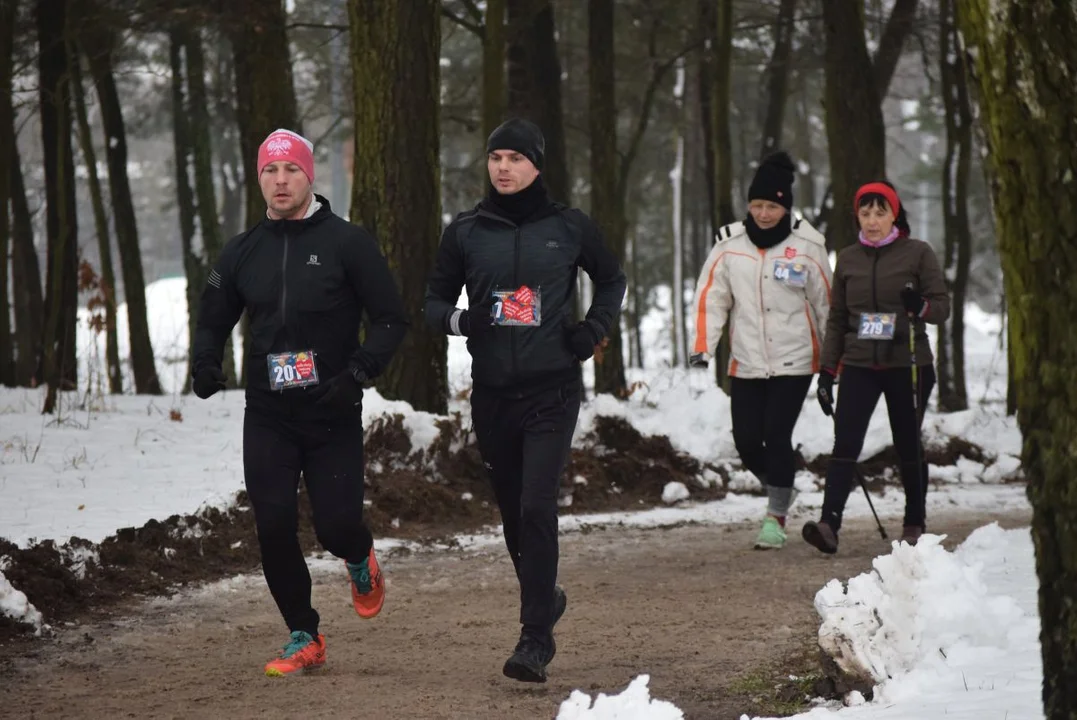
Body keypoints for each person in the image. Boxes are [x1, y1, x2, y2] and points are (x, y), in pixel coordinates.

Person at [191, 128, 408, 676]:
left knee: (336, 527)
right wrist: (205, 360)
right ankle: (303, 633)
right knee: (272, 523)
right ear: (259, 177)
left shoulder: (348, 243)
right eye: (270, 170)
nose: (280, 180)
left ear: (309, 175)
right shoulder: (240, 251)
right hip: (268, 415)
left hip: (331, 411)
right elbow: (213, 310)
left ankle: (359, 559)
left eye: (290, 170)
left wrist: (358, 372)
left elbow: (389, 317)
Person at [425, 118, 626, 683]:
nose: (504, 167)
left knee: (538, 506)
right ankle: (546, 594)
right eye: (496, 158)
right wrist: (461, 320)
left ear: (537, 166)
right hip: (491, 395)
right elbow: (433, 301)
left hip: (551, 389)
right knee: (515, 515)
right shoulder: (466, 232)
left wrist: (593, 329)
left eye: (515, 158)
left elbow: (612, 280)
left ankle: (534, 637)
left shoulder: (568, 226)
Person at [689, 151, 832, 550]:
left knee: (776, 432)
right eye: (757, 205)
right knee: (747, 440)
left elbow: (826, 304)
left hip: (796, 358)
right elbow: (711, 298)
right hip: (746, 360)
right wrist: (702, 347)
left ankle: (775, 518)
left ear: (786, 206)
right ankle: (781, 485)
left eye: (772, 205)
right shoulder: (729, 246)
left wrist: (833, 362)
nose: (764, 213)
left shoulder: (808, 246)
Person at [802, 180, 950, 554]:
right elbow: (837, 319)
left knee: (907, 443)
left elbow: (941, 308)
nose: (872, 221)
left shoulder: (917, 253)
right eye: (865, 213)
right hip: (860, 363)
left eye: (880, 213)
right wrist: (827, 371)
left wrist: (920, 305)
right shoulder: (849, 258)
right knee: (846, 441)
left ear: (894, 214)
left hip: (908, 363)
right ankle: (828, 525)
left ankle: (914, 522)